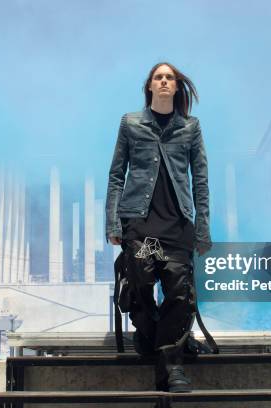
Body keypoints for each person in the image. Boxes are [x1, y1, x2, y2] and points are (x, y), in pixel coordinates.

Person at [105, 62, 212, 393]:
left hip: (176, 225)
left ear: (177, 87)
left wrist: (202, 227)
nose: (164, 82)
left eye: (170, 78)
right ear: (149, 86)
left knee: (179, 292)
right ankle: (151, 334)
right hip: (143, 226)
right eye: (158, 77)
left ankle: (172, 367)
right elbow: (116, 175)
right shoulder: (131, 123)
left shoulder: (190, 128)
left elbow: (201, 180)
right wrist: (112, 221)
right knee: (141, 278)